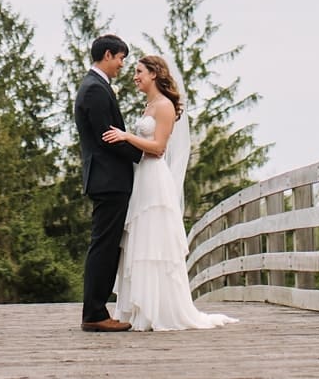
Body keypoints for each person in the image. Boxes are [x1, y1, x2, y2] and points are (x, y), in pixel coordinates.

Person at [101, 53, 238, 332]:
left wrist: (126, 136)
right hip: (142, 178)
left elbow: (159, 147)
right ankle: (141, 308)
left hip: (154, 178)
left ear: (154, 73)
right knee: (141, 240)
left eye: (139, 71)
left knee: (154, 242)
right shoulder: (148, 104)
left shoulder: (163, 105)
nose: (135, 76)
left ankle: (159, 308)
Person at [74, 34, 140, 332]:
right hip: (108, 178)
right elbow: (108, 136)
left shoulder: (95, 87)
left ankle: (97, 310)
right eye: (121, 58)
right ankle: (95, 313)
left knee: (107, 245)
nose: (122, 65)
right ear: (108, 55)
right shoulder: (95, 90)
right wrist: (143, 153)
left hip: (107, 178)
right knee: (104, 246)